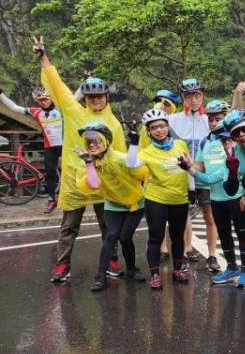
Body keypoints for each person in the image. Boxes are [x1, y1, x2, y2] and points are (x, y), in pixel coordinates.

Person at [34, 36, 126, 284]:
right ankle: (62, 264)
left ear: (106, 97)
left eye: (100, 97)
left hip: (102, 182)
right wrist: (44, 57)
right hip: (75, 180)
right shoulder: (73, 111)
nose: (96, 101)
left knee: (108, 225)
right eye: (91, 97)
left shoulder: (114, 124)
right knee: (68, 227)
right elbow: (58, 85)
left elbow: (119, 157)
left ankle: (112, 259)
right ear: (85, 98)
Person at [75, 122, 147, 291]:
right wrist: (88, 163)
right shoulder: (89, 162)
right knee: (111, 235)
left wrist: (134, 146)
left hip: (134, 203)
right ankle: (101, 276)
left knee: (125, 237)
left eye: (97, 141)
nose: (92, 145)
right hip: (113, 204)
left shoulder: (120, 158)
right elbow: (93, 185)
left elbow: (140, 171)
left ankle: (131, 269)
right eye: (88, 142)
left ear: (106, 141)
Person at [189, 104, 245, 288]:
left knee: (242, 235)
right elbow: (201, 165)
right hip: (216, 198)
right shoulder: (205, 141)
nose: (213, 122)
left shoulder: (236, 139)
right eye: (210, 119)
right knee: (224, 235)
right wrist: (188, 164)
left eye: (218, 118)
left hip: (237, 196)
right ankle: (232, 267)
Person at [130, 108, 192, 290]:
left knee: (177, 236)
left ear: (167, 127)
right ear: (149, 131)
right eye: (154, 127)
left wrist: (192, 189)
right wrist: (133, 144)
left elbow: (188, 166)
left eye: (162, 126)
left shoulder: (180, 145)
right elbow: (130, 164)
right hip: (156, 198)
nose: (159, 130)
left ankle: (178, 270)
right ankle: (155, 275)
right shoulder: (147, 152)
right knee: (156, 237)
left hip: (179, 198)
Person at [169, 77, 218, 272]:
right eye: (189, 96)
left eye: (197, 95)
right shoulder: (173, 120)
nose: (194, 100)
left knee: (209, 217)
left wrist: (238, 94)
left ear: (202, 95)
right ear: (183, 98)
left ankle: (213, 255)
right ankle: (184, 253)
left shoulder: (209, 119)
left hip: (205, 174)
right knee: (182, 217)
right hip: (182, 176)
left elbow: (233, 115)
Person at [0, 86, 63, 213]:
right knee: (50, 174)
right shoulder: (36, 111)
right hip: (49, 146)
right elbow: (14, 108)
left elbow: (75, 98)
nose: (43, 102)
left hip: (64, 145)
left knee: (72, 170)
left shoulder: (60, 108)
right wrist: (1, 94)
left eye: (45, 99)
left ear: (50, 98)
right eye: (40, 100)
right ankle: (51, 200)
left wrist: (85, 82)